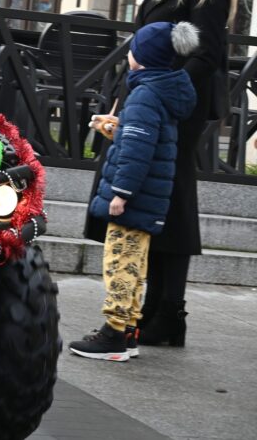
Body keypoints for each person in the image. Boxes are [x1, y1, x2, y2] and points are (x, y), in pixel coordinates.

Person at [85, 0, 237, 347]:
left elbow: (205, 55)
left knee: (169, 199)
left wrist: (165, 96)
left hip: (174, 106)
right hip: (154, 99)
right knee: (163, 200)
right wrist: (126, 98)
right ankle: (155, 311)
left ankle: (166, 311)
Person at [70, 21, 199, 361]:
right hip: (149, 199)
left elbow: (137, 150)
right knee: (134, 266)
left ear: (143, 58)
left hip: (134, 200)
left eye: (133, 49)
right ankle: (127, 332)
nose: (128, 54)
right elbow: (144, 137)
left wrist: (121, 192)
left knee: (119, 264)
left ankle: (112, 335)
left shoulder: (144, 93)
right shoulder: (161, 90)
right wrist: (112, 125)